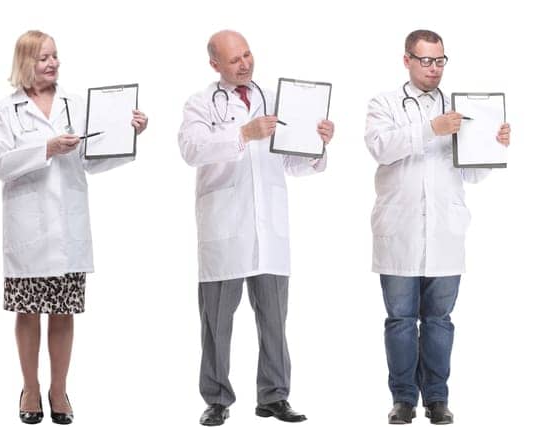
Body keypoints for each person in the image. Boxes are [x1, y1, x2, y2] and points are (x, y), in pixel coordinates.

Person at [0, 30, 148, 426]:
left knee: (63, 312)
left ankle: (59, 390)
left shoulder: (77, 105)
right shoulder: (7, 110)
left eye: (55, 56)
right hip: (28, 228)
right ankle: (30, 388)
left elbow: (93, 159)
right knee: (27, 312)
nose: (52, 63)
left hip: (68, 226)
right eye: (43, 58)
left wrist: (130, 133)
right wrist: (46, 149)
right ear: (25, 62)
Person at [178, 30, 334, 426]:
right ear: (215, 65)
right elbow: (191, 150)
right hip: (224, 229)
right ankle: (216, 399)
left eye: (247, 54)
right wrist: (244, 134)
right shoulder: (200, 103)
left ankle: (274, 397)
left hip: (269, 229)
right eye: (234, 60)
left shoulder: (276, 101)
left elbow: (294, 163)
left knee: (274, 320)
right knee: (216, 323)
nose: (245, 63)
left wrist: (318, 145)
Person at [363, 29, 512, 426]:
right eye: (426, 60)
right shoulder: (385, 104)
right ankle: (403, 400)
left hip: (446, 232)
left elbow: (475, 174)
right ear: (407, 60)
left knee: (439, 321)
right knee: (399, 320)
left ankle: (438, 399)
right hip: (399, 231)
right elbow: (381, 147)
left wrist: (493, 144)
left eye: (440, 61)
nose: (433, 69)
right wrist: (431, 128)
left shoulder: (463, 108)